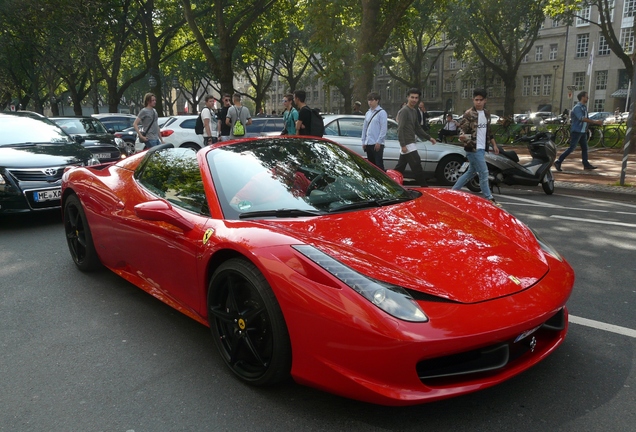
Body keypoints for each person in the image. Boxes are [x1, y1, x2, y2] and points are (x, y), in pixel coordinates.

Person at [452, 88, 501, 206]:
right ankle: (489, 198)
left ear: (485, 101)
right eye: (476, 100)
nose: (478, 102)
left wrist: (494, 145)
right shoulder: (468, 114)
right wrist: (462, 137)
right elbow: (462, 130)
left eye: (480, 100)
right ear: (473, 100)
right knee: (484, 172)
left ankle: (453, 191)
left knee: (471, 172)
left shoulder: (486, 113)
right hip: (472, 148)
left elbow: (489, 131)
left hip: (482, 147)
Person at [395, 88, 436, 186]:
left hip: (410, 142)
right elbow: (400, 129)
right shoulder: (404, 111)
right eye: (412, 97)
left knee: (399, 168)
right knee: (417, 166)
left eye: (416, 98)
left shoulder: (413, 111)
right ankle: (425, 187)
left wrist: (429, 138)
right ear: (407, 97)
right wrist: (403, 145)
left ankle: (389, 184)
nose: (414, 99)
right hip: (408, 143)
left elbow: (417, 128)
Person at [554, 91, 601, 171]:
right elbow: (581, 118)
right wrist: (595, 122)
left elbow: (586, 118)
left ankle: (586, 164)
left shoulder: (584, 107)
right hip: (577, 131)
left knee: (585, 148)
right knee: (572, 148)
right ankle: (558, 161)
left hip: (582, 131)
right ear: (582, 97)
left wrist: (589, 126)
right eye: (586, 96)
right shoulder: (577, 107)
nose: (587, 98)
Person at [361, 91, 387, 170]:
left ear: (377, 100)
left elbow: (383, 128)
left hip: (377, 143)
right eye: (369, 100)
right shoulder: (368, 113)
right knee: (371, 165)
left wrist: (379, 141)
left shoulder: (382, 113)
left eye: (372, 100)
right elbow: (364, 128)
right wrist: (363, 141)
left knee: (378, 165)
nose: (370, 102)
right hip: (369, 142)